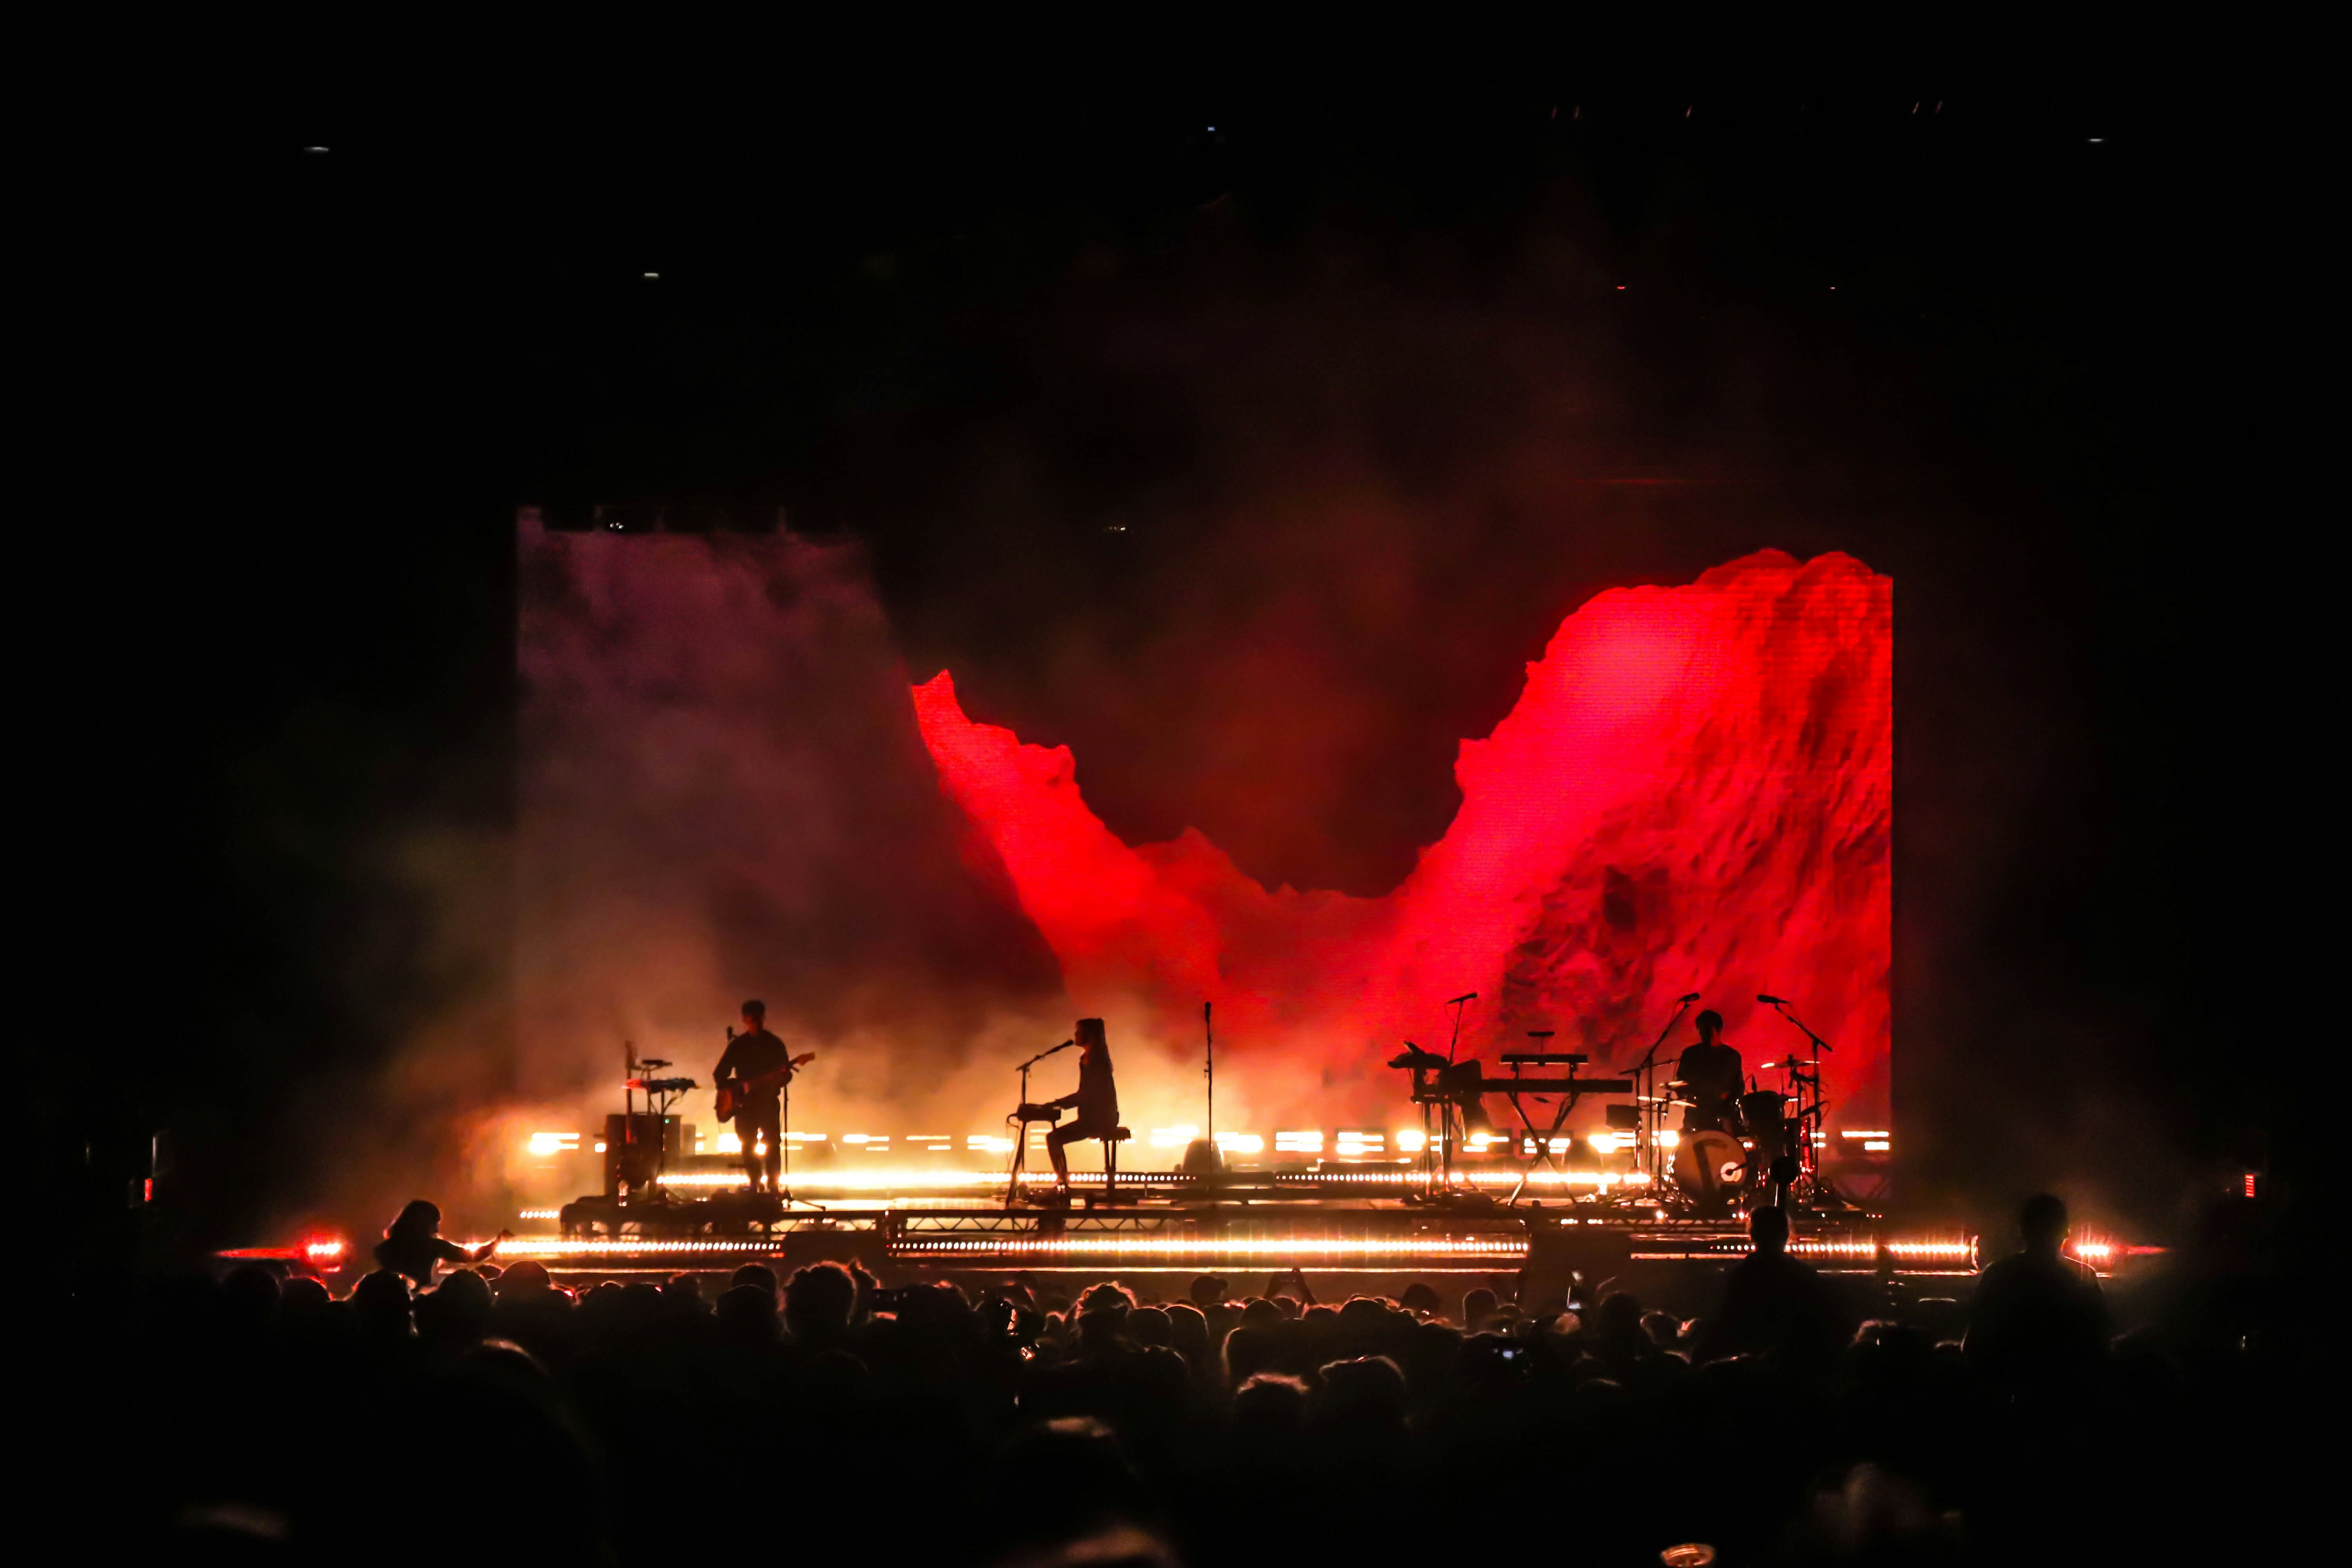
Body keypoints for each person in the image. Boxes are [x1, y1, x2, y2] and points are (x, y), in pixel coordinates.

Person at [1965, 1193, 2109, 1388]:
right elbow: (2101, 1346)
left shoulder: (1999, 1275)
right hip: (2071, 1392)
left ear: (2022, 1231)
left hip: (2010, 1392)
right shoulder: (2084, 1277)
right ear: (2066, 1232)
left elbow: (1975, 1345)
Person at [1693, 1205, 1846, 1376]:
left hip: (1747, 1364)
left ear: (1752, 1235)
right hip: (1795, 1365)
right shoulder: (1804, 1275)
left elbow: (1724, 1320)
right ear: (1786, 1235)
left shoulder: (1739, 1275)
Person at [713, 999, 799, 1194]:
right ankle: (754, 1182)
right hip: (745, 1105)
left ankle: (773, 1185)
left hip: (767, 1102)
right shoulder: (739, 1045)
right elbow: (720, 1074)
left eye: (758, 1017)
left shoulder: (774, 1044)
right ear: (745, 1019)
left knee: (772, 1144)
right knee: (748, 1144)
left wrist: (776, 1081)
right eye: (752, 1018)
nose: (756, 1021)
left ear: (763, 1018)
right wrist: (732, 1091)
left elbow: (786, 1075)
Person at [1044, 1018, 1120, 1196]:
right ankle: (1062, 1183)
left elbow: (1088, 1094)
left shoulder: (1097, 1061)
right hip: (1092, 1118)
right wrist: (1060, 1103)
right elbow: (1084, 1093)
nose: (1075, 1035)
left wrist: (1059, 1104)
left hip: (1100, 1118)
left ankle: (1062, 1185)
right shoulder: (1089, 1059)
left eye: (1079, 1031)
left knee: (1054, 1139)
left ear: (1089, 1035)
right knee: (1055, 1138)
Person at [374, 1200, 505, 1289]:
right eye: (434, 1224)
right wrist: (497, 1242)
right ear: (423, 1224)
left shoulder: (382, 1250)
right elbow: (470, 1257)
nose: (437, 1230)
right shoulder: (431, 1247)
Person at [1677, 1009, 1743, 1133]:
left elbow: (1738, 1088)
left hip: (1717, 1114)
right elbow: (1681, 1084)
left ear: (1713, 1029)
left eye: (1702, 1030)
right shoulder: (1732, 1055)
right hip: (1700, 1115)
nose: (1701, 1034)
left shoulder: (1731, 1056)